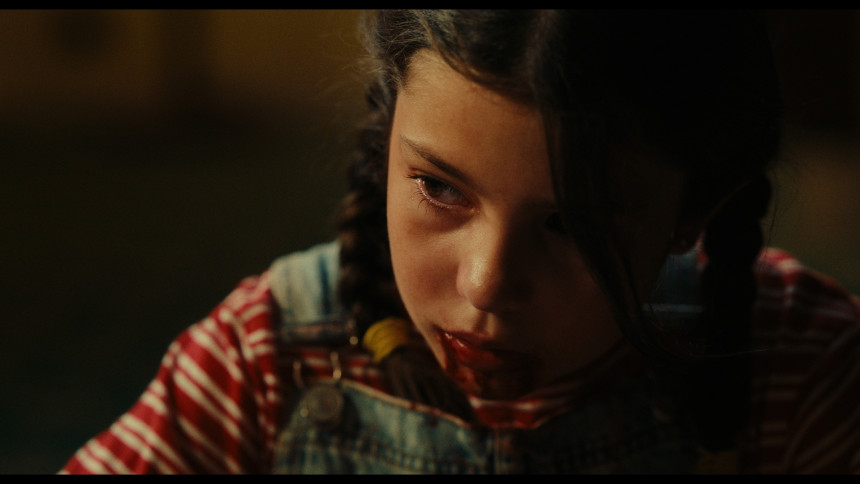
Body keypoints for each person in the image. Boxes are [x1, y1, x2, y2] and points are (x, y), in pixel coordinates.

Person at [61, 10, 860, 474]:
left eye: (571, 224)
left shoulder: (803, 371)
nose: (486, 283)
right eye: (440, 188)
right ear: (388, 134)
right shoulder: (269, 356)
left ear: (696, 205)